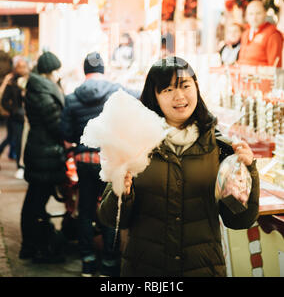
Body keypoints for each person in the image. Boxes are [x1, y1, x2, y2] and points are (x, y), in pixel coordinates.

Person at [98, 56, 259, 277]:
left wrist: (249, 170)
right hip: (146, 269)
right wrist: (122, 192)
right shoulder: (135, 143)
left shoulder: (220, 148)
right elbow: (110, 218)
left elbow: (239, 219)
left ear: (196, 88)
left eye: (185, 86)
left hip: (203, 268)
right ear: (154, 96)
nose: (179, 96)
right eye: (167, 89)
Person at [61, 51, 140, 277]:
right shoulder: (118, 91)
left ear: (85, 71)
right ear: (104, 70)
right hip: (110, 161)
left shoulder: (72, 98)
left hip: (83, 162)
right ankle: (108, 264)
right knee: (110, 210)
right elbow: (145, 97)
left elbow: (66, 135)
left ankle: (87, 262)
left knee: (85, 211)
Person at [19, 51, 66, 263]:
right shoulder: (43, 92)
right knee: (36, 202)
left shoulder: (39, 88)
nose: (58, 75)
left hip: (40, 150)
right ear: (48, 72)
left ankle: (31, 244)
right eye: (56, 71)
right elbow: (56, 124)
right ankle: (34, 245)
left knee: (35, 201)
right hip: (44, 153)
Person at [1, 57, 29, 178]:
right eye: (20, 67)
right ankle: (20, 166)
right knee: (14, 139)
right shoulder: (11, 81)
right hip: (15, 117)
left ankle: (20, 165)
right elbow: (5, 100)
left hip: (23, 117)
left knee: (14, 139)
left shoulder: (28, 80)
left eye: (24, 66)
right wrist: (13, 110)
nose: (22, 69)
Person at [238, 0, 283, 67]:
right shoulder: (245, 34)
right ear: (246, 16)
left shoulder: (273, 35)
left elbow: (274, 69)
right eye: (251, 14)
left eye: (258, 13)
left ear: (265, 13)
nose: (254, 18)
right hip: (242, 75)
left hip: (260, 76)